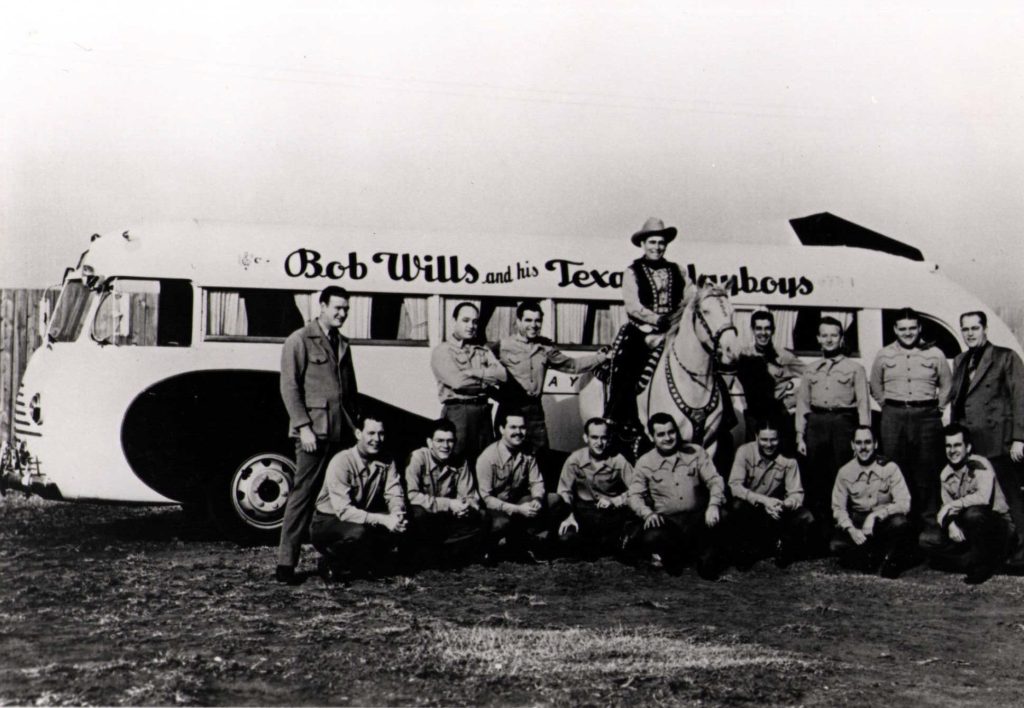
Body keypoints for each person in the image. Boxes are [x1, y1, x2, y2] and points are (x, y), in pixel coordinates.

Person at [275, 285, 360, 584]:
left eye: (346, 309)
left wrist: (356, 429)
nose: (342, 313)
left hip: (341, 434)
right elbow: (289, 387)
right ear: (322, 306)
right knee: (302, 496)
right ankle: (286, 563)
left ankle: (336, 559)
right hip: (313, 433)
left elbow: (348, 394)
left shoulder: (343, 343)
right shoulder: (299, 340)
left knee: (338, 497)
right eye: (337, 307)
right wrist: (303, 427)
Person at [496, 300, 608, 475]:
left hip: (534, 411)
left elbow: (572, 365)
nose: (533, 325)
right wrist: (498, 395)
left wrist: (600, 358)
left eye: (537, 321)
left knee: (540, 457)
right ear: (518, 321)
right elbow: (484, 372)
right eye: (528, 320)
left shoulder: (545, 348)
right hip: (510, 409)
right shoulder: (502, 347)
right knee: (506, 456)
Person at [950, 310, 1024, 569]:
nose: (970, 333)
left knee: (1011, 496)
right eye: (965, 329)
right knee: (982, 498)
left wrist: (1019, 438)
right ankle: (986, 551)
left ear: (985, 329)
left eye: (975, 328)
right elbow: (958, 402)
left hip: (1000, 440)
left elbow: (1020, 398)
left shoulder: (1005, 357)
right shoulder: (960, 360)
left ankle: (1022, 550)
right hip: (973, 443)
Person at [606, 217, 691, 438]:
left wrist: (676, 320)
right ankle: (620, 419)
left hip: (674, 330)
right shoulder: (632, 271)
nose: (657, 247)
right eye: (652, 242)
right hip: (642, 330)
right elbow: (633, 306)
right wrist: (656, 319)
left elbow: (689, 297)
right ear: (643, 244)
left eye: (661, 243)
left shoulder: (679, 270)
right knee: (627, 369)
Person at [870, 307, 952, 525]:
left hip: (926, 417)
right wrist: (888, 407)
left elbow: (947, 385)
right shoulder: (884, 354)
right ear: (895, 330)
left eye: (912, 328)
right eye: (903, 329)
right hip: (894, 417)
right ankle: (900, 524)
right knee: (896, 469)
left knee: (927, 470)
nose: (908, 333)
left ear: (919, 328)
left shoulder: (935, 354)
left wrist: (938, 409)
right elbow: (875, 386)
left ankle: (929, 525)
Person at [626, 412, 727, 579]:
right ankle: (674, 554)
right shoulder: (645, 462)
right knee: (652, 536)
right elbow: (634, 495)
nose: (668, 438)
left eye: (671, 432)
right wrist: (647, 514)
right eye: (661, 434)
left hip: (698, 520)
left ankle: (701, 553)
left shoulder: (695, 452)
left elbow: (715, 480)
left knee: (708, 569)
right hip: (669, 523)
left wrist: (714, 505)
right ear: (652, 437)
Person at [310, 413, 407, 582]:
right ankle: (330, 560)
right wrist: (384, 520)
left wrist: (397, 514)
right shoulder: (342, 461)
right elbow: (344, 511)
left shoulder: (387, 460)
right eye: (371, 433)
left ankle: (362, 563)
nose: (377, 439)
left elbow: (394, 492)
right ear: (358, 434)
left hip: (360, 517)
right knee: (359, 532)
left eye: (381, 433)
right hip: (328, 521)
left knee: (401, 523)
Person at [795, 316, 871, 524]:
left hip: (843, 424)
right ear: (818, 338)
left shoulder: (855, 369)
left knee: (844, 473)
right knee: (816, 476)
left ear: (841, 338)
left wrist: (864, 436)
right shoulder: (810, 370)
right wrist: (800, 436)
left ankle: (844, 524)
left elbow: (863, 404)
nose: (829, 340)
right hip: (816, 424)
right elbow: (803, 404)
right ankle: (820, 527)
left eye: (834, 335)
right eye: (824, 335)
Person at [919, 424, 1015, 584]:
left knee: (973, 514)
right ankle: (976, 560)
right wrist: (951, 525)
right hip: (969, 529)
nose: (952, 450)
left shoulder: (980, 465)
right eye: (948, 446)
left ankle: (980, 566)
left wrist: (953, 505)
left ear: (968, 447)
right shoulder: (946, 474)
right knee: (926, 540)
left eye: (957, 445)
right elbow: (947, 507)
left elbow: (983, 498)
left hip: (997, 526)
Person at [830, 426, 918, 578]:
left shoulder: (890, 468)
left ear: (875, 444)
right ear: (852, 445)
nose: (863, 447)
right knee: (836, 546)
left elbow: (904, 502)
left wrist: (876, 516)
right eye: (858, 443)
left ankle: (889, 559)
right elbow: (838, 508)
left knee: (900, 524)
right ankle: (873, 555)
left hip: (884, 523)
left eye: (867, 442)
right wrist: (851, 530)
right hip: (859, 524)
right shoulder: (844, 472)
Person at [727, 419, 814, 569]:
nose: (769, 444)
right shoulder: (744, 452)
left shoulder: (789, 459)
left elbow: (796, 493)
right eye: (764, 440)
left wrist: (784, 504)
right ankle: (746, 549)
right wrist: (763, 501)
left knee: (806, 517)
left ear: (779, 439)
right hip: (752, 508)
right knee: (736, 506)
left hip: (776, 511)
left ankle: (782, 546)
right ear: (756, 437)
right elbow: (734, 486)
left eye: (773, 439)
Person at [430, 302, 507, 465]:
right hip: (459, 413)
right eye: (465, 320)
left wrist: (473, 373)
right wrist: (487, 381)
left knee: (485, 461)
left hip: (483, 414)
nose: (471, 325)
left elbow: (502, 375)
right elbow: (458, 382)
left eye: (475, 321)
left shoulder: (482, 350)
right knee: (456, 461)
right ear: (454, 321)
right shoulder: (442, 351)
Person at [404, 419, 487, 568]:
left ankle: (441, 553)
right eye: (440, 441)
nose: (445, 446)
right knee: (418, 514)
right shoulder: (418, 458)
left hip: (448, 518)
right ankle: (431, 553)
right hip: (426, 516)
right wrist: (449, 504)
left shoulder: (460, 461)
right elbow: (412, 496)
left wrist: (466, 507)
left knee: (481, 516)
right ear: (429, 442)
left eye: (450, 441)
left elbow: (470, 495)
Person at [552, 417, 634, 559]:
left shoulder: (618, 460)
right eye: (594, 437)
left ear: (609, 439)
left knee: (616, 545)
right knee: (566, 539)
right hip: (583, 512)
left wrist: (615, 501)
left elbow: (637, 489)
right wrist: (568, 515)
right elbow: (564, 491)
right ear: (586, 438)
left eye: (604, 438)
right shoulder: (575, 459)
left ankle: (613, 541)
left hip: (610, 514)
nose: (599, 443)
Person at [476, 409, 551, 560]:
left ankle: (523, 543)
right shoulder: (488, 457)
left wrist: (537, 499)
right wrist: (517, 509)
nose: (519, 432)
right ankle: (487, 548)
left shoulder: (528, 452)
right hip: (496, 510)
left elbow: (536, 482)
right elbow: (487, 499)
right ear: (501, 429)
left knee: (553, 500)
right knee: (501, 523)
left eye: (522, 427)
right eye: (513, 427)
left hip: (518, 504)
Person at [733, 311, 804, 453]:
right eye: (759, 328)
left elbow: (812, 376)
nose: (763, 333)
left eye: (767, 328)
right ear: (752, 330)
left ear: (773, 330)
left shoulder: (784, 356)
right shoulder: (743, 355)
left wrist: (793, 399)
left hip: (777, 416)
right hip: (753, 417)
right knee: (753, 457)